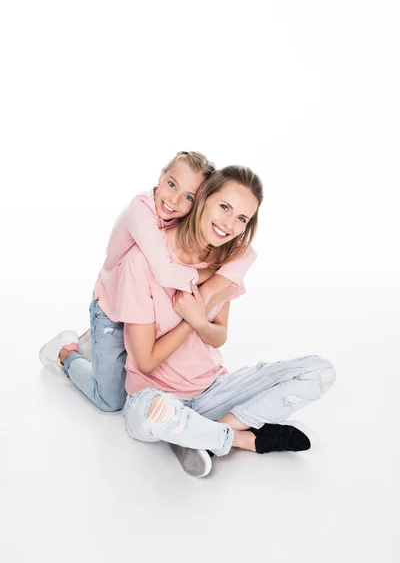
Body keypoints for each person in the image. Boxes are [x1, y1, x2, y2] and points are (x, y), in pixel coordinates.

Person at [118, 165, 336, 477]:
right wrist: (190, 320)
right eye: (225, 207)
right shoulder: (140, 262)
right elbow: (147, 361)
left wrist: (200, 317)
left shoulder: (226, 261)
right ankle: (241, 439)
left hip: (213, 389)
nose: (229, 224)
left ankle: (200, 434)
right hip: (153, 395)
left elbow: (219, 336)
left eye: (242, 219)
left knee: (321, 372)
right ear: (204, 197)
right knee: (154, 415)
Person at [39, 152, 257, 412]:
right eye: (172, 184)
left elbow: (247, 252)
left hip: (142, 309)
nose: (175, 200)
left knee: (133, 372)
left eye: (189, 196)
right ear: (162, 174)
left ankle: (96, 349)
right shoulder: (140, 211)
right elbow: (165, 274)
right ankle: (67, 353)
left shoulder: (186, 221)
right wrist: (210, 279)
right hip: (110, 307)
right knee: (111, 400)